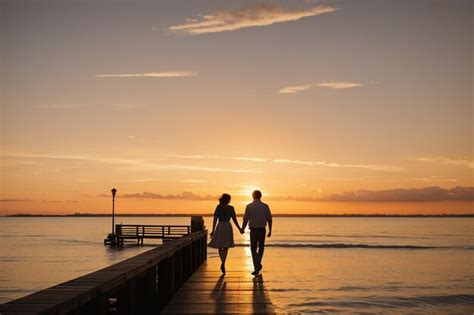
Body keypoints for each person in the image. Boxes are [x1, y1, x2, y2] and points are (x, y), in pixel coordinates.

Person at [209, 193, 243, 274]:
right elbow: (234, 219)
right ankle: (223, 263)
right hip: (227, 226)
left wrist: (213, 230)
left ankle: (223, 263)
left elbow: (215, 219)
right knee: (226, 246)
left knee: (220, 246)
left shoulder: (218, 207)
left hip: (220, 225)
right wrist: (239, 229)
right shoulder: (231, 208)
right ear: (228, 200)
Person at [241, 190, 272, 275]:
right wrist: (270, 231)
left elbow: (245, 219)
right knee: (261, 248)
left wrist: (242, 229)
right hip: (262, 229)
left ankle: (257, 265)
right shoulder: (265, 206)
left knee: (253, 248)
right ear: (260, 196)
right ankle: (257, 265)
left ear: (252, 196)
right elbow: (269, 219)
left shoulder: (249, 206)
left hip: (253, 230)